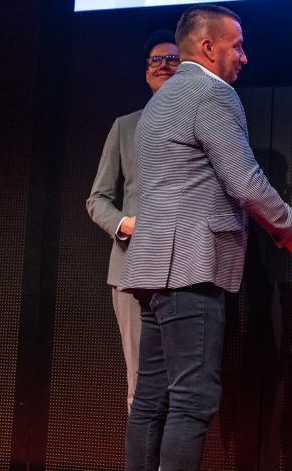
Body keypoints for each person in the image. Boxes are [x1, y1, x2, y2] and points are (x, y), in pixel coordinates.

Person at [118, 4, 292, 471]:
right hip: (191, 268)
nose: (244, 57)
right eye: (237, 46)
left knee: (150, 398)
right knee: (193, 399)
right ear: (209, 48)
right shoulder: (212, 94)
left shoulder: (159, 101)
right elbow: (245, 182)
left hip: (152, 269)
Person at [86, 29, 179, 413]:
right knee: (140, 383)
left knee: (185, 384)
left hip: (187, 269)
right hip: (132, 268)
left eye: (172, 59)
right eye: (156, 60)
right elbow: (97, 199)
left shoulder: (205, 122)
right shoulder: (125, 126)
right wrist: (125, 224)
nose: (164, 65)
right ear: (146, 72)